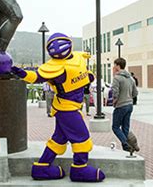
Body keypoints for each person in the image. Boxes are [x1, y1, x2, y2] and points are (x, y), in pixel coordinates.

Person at [11, 32, 105, 182]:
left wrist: (89, 77)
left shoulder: (78, 57)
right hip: (67, 109)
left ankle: (41, 167)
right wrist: (18, 71)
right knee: (81, 138)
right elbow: (35, 76)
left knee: (59, 139)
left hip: (70, 107)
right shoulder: (54, 67)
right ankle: (80, 169)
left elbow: (81, 75)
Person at [111, 58, 138, 152]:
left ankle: (125, 144)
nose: (113, 67)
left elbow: (115, 92)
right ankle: (128, 148)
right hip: (130, 105)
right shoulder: (131, 78)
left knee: (115, 127)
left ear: (118, 66)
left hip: (121, 105)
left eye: (114, 65)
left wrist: (114, 101)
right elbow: (135, 93)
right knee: (125, 127)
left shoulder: (117, 78)